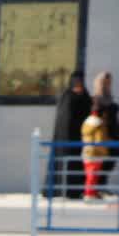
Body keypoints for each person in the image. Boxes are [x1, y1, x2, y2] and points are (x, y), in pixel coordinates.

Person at [50, 71, 92, 199]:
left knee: (79, 165)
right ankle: (63, 191)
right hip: (67, 139)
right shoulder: (67, 97)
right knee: (66, 164)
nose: (79, 85)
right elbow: (65, 119)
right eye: (76, 82)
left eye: (81, 82)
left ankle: (77, 191)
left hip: (82, 138)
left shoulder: (85, 96)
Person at [92, 71, 119, 181]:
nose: (107, 85)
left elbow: (114, 119)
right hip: (101, 139)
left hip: (113, 139)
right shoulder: (95, 101)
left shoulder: (110, 100)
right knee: (98, 168)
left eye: (109, 83)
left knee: (107, 166)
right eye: (104, 82)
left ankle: (101, 184)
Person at [81, 103, 108, 200]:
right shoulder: (99, 124)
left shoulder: (86, 122)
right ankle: (89, 194)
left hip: (86, 150)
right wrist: (104, 151)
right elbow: (100, 139)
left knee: (89, 174)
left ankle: (91, 193)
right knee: (93, 175)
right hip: (96, 152)